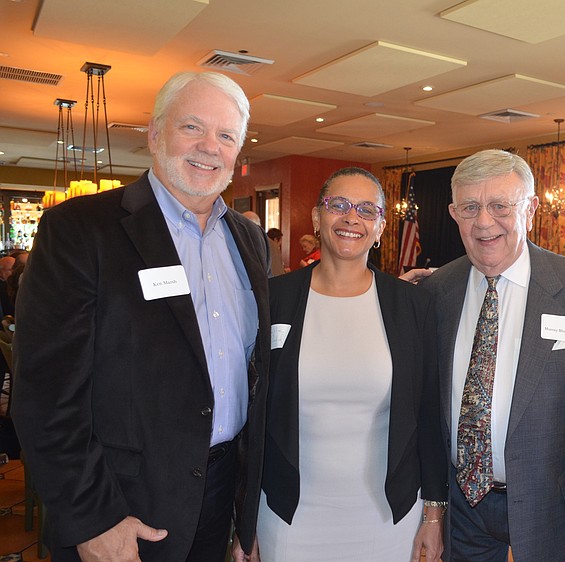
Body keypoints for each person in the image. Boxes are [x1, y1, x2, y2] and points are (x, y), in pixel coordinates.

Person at [11, 71, 271, 562]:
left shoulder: (250, 240)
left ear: (238, 154)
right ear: (155, 134)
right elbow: (46, 394)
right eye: (192, 127)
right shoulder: (80, 230)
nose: (209, 147)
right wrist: (92, 518)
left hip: (222, 497)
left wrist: (245, 512)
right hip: (123, 504)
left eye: (225, 135)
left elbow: (253, 377)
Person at [420, 149, 565, 561]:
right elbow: (427, 411)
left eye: (500, 206)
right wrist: (433, 509)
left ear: (531, 210)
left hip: (551, 507)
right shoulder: (437, 293)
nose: (484, 222)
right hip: (462, 508)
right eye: (470, 207)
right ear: (454, 213)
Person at [258, 167, 447, 561]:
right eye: (338, 205)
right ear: (316, 217)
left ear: (380, 227)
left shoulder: (412, 306)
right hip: (288, 515)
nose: (351, 218)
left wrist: (433, 513)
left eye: (366, 209)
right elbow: (252, 416)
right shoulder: (273, 299)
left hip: (386, 519)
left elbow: (429, 415)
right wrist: (244, 521)